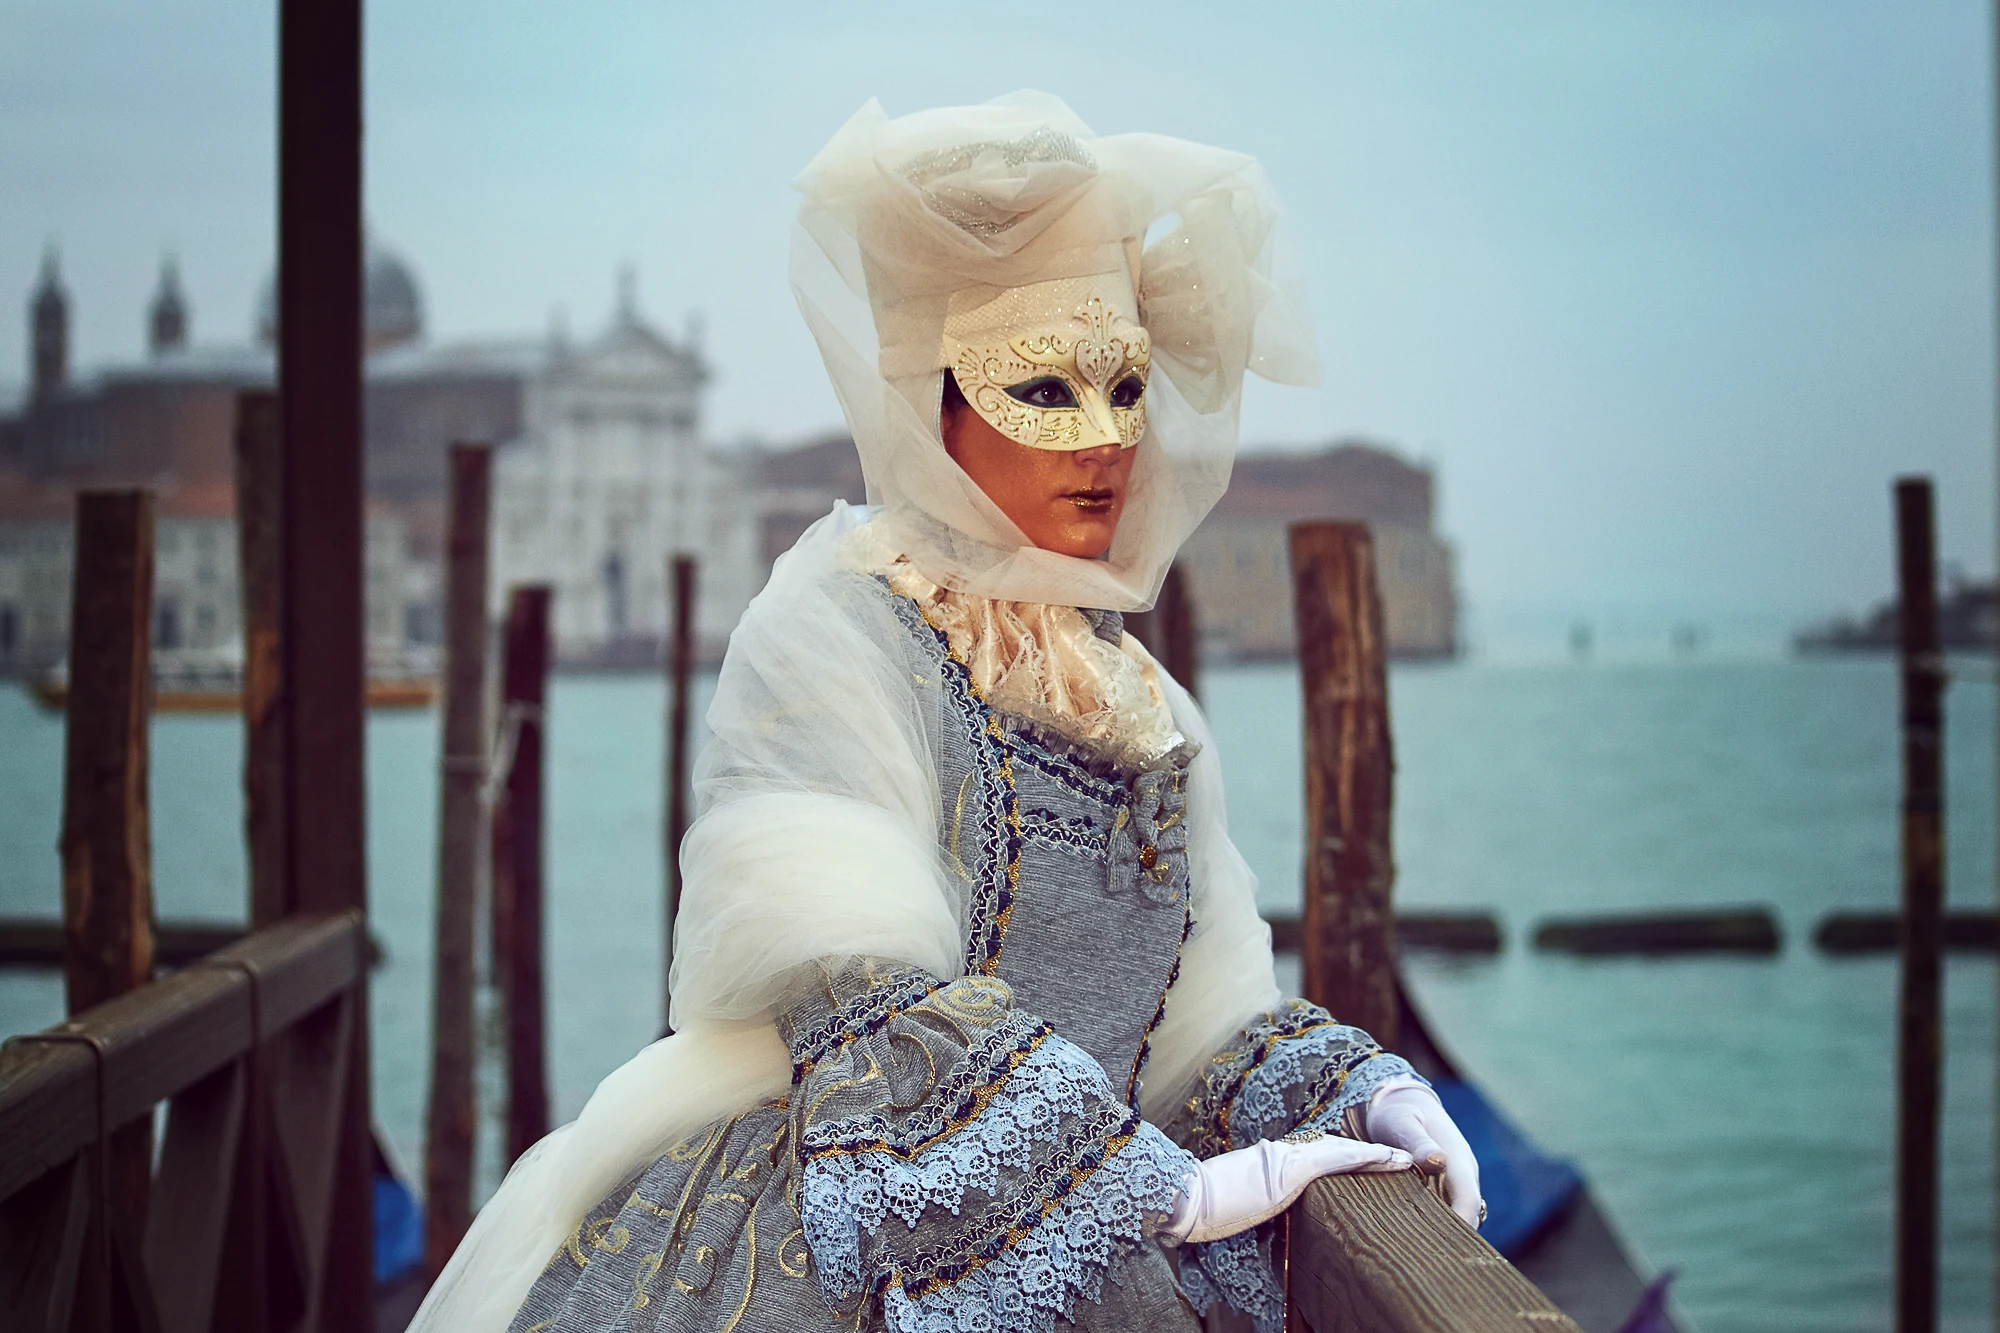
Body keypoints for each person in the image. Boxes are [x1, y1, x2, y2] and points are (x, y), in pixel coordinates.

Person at [410, 92, 1481, 1333]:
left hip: (1106, 1220)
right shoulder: (835, 627)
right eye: (1040, 388)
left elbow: (1200, 1019)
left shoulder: (1147, 710)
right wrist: (1160, 1194)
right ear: (941, 414)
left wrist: (1353, 1090)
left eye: (1126, 386)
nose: (1103, 443)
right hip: (842, 1223)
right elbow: (859, 990)